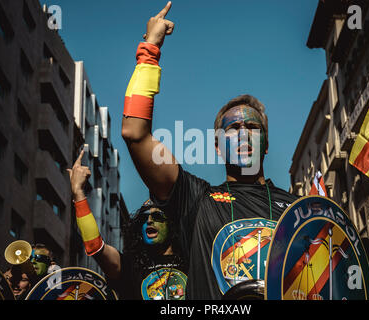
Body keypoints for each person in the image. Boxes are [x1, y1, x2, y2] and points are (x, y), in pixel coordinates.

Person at [120, 2, 298, 299]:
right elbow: (134, 135)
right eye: (232, 129)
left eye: (252, 128)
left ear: (266, 145)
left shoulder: (296, 211)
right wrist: (149, 50)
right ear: (217, 147)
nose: (243, 132)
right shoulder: (195, 199)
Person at [67, 150, 187, 300]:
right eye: (143, 218)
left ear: (172, 225)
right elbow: (95, 246)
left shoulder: (193, 260)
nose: (149, 221)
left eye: (157, 216)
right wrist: (78, 193)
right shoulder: (130, 266)